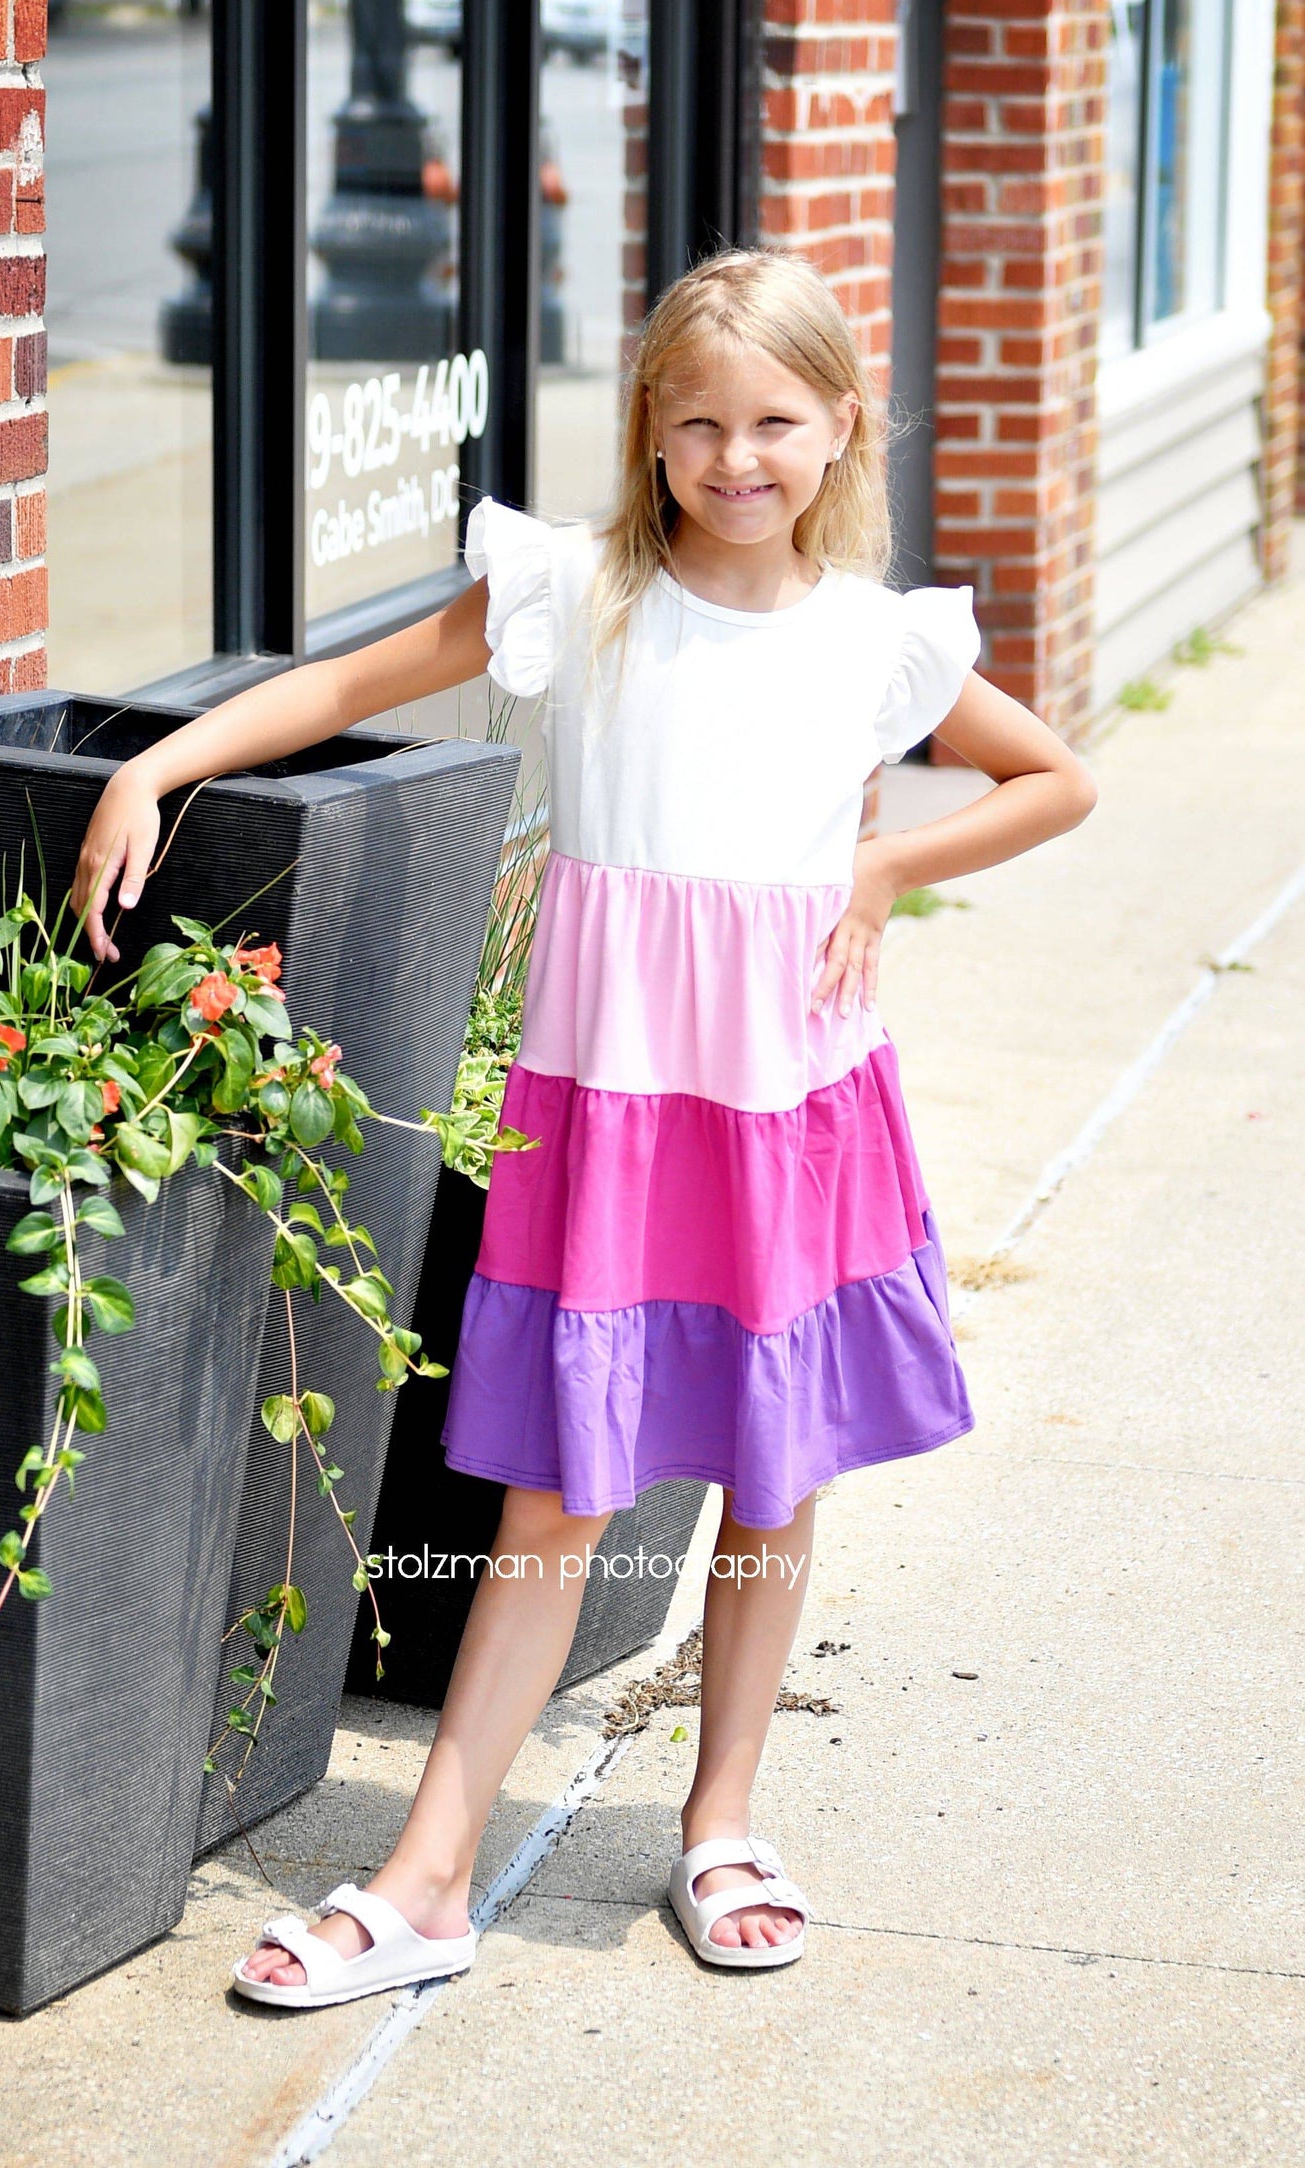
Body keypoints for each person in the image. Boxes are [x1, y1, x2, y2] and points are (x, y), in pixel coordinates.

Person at [71, 245, 1097, 2007]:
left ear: (840, 426)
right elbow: (347, 685)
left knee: (776, 1475)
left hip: (787, 1109)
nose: (735, 458)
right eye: (695, 423)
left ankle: (722, 1822)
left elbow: (1054, 778)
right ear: (648, 431)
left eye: (774, 421)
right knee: (558, 1491)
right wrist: (155, 764)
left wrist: (881, 859)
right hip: (609, 1112)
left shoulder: (875, 640)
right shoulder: (583, 592)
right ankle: (430, 1876)